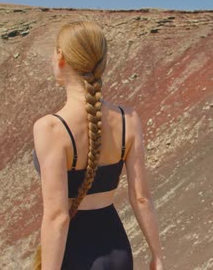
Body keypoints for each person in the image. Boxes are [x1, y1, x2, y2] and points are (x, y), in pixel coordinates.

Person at [31, 21, 165, 270]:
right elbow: (142, 198)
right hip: (117, 251)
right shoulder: (129, 119)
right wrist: (156, 256)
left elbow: (57, 217)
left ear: (60, 57)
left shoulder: (50, 129)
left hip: (74, 255)